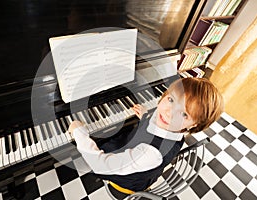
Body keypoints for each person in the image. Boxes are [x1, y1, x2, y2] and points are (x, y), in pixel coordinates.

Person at [68, 77, 224, 199]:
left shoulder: (151, 154)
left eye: (184, 114)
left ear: (193, 125)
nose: (169, 113)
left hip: (126, 185)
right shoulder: (176, 129)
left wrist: (79, 132)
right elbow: (157, 120)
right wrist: (145, 116)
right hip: (142, 165)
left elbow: (100, 164)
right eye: (171, 100)